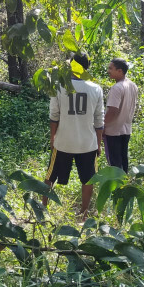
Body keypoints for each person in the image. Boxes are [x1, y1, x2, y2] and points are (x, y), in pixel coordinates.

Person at [43, 53, 104, 219]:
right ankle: (84, 213)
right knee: (88, 179)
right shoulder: (95, 89)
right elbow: (99, 120)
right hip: (87, 143)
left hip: (64, 141)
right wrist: (98, 144)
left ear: (72, 65)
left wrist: (53, 137)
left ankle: (43, 210)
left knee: (50, 176)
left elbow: (54, 115)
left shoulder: (59, 87)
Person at [103, 58, 138, 173]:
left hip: (113, 131)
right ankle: (124, 185)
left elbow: (113, 110)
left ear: (120, 71)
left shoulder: (117, 88)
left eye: (111, 68)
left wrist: (102, 125)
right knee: (123, 160)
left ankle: (117, 187)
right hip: (126, 130)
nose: (108, 71)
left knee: (114, 163)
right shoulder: (132, 85)